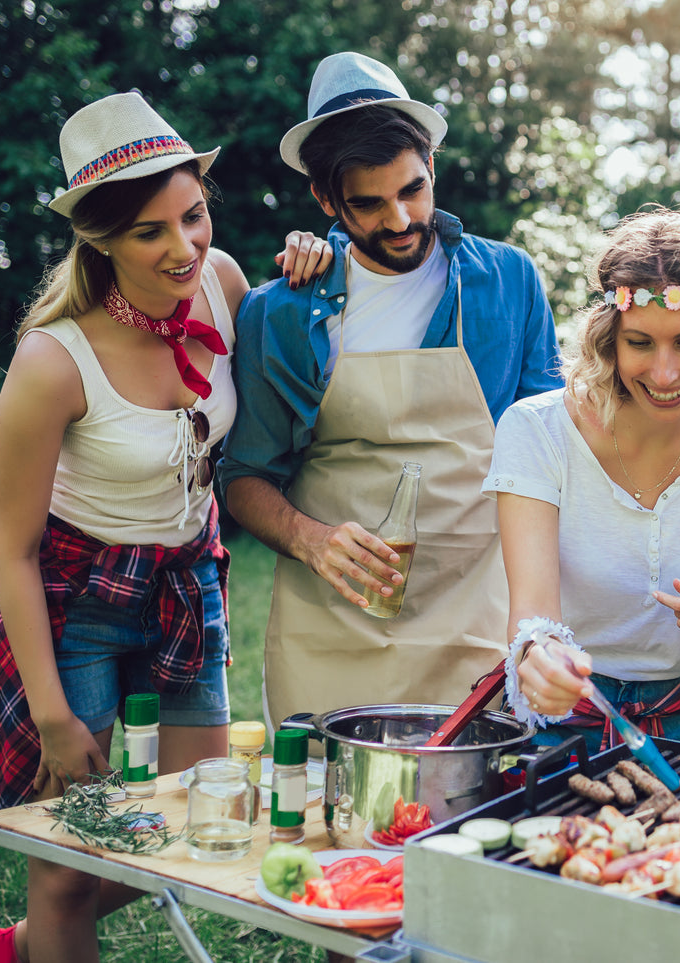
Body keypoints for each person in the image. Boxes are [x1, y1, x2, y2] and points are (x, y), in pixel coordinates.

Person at [0, 92, 250, 963]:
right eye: (151, 232)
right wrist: (52, 712)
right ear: (99, 238)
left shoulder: (223, 286)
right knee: (70, 863)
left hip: (187, 586)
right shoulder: (51, 359)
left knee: (190, 822)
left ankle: (7, 950)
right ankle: (31, 937)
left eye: (193, 215)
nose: (183, 247)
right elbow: (13, 548)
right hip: (80, 601)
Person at [221, 52, 562, 728]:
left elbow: (553, 457)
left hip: (476, 612)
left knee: (469, 819)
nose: (401, 219)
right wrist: (311, 539)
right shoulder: (280, 311)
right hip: (331, 626)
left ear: (431, 164)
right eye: (369, 204)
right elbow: (243, 477)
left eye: (412, 189)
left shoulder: (509, 282)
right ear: (325, 201)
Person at [487, 209, 680, 751]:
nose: (665, 372)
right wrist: (540, 657)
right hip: (567, 718)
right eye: (641, 343)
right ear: (609, 341)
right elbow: (533, 616)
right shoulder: (536, 431)